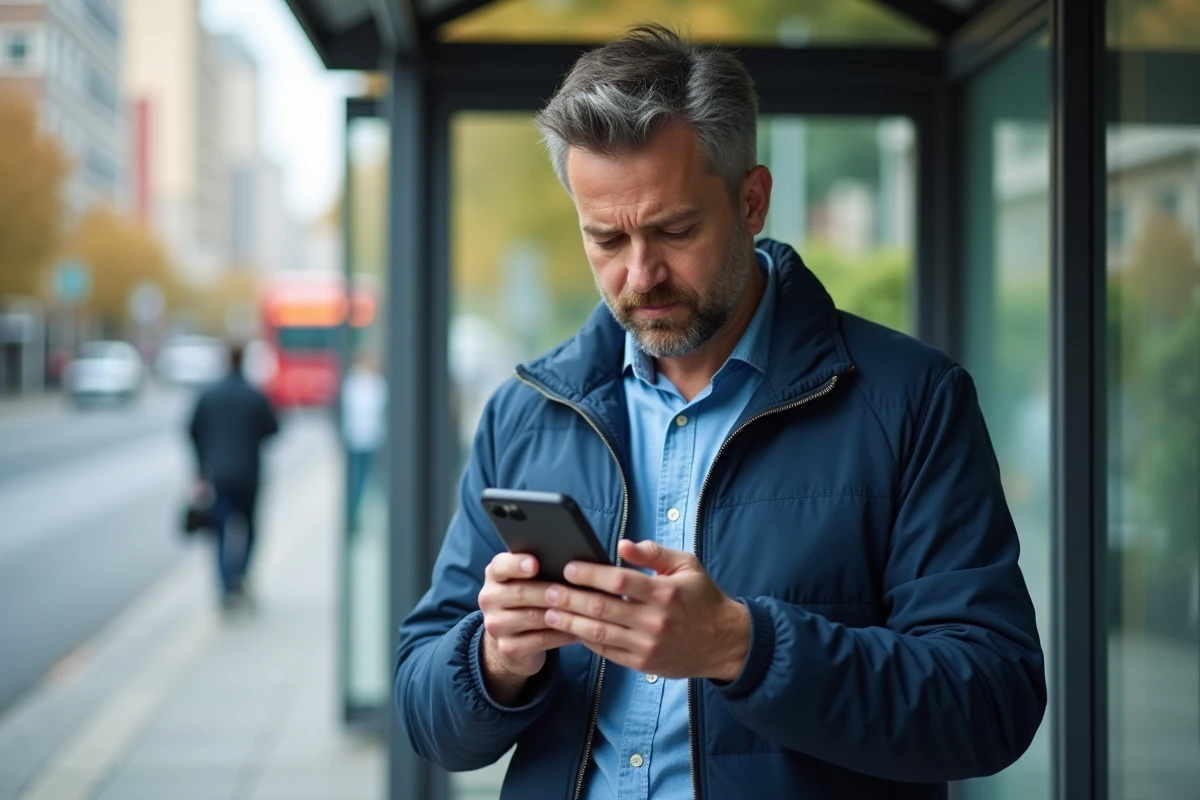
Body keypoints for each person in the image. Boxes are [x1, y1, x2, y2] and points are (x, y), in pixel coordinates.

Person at [395, 25, 1046, 799]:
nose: (641, 274)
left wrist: (744, 647)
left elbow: (993, 699)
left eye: (674, 230)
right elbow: (423, 710)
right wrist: (495, 660)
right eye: (606, 239)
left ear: (751, 200)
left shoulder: (914, 401)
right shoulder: (524, 413)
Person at [188, 342, 279, 608]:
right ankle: (240, 576)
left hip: (218, 475)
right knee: (249, 530)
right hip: (249, 474)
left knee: (220, 532)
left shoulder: (209, 395)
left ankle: (226, 585)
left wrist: (200, 469)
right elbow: (273, 428)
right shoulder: (254, 395)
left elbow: (193, 431)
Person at [341, 352, 388, 531]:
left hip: (369, 439)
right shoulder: (359, 383)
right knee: (359, 481)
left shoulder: (368, 383)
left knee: (370, 480)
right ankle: (354, 519)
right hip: (360, 439)